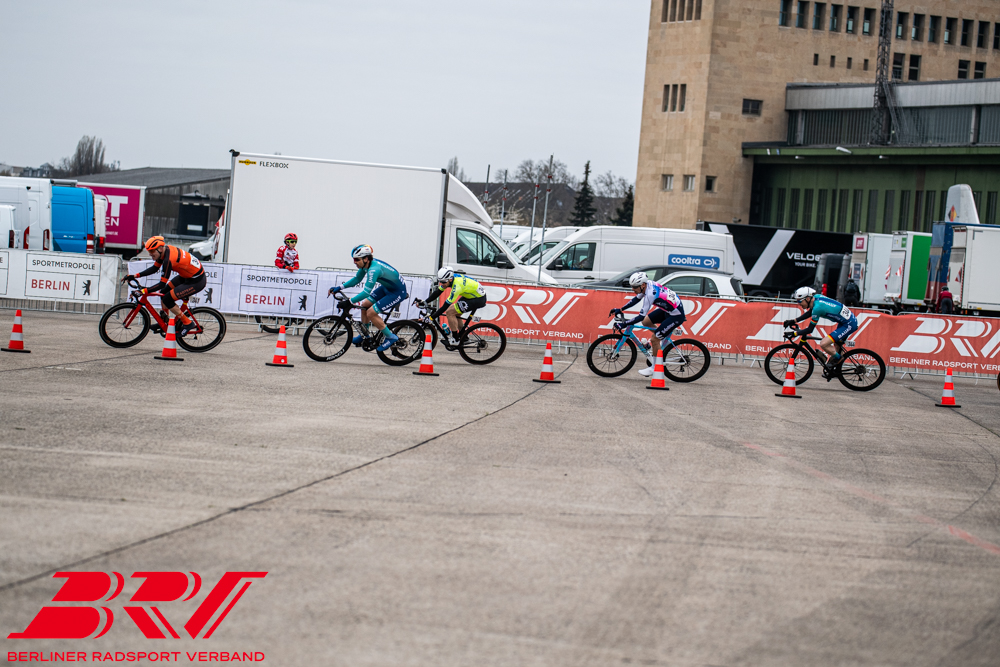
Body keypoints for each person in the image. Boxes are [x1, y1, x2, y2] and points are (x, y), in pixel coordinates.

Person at [328, 244, 407, 352]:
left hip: (397, 292)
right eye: (354, 259)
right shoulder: (366, 265)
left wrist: (349, 302)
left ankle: (390, 337)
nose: (354, 262)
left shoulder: (374, 270)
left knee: (371, 312)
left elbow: (366, 292)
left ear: (365, 259)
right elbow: (357, 279)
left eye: (357, 259)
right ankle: (365, 335)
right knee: (364, 305)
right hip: (386, 288)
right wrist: (340, 287)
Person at [123, 236, 205, 336]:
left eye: (152, 251)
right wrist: (134, 276)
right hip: (186, 276)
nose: (150, 254)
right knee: (163, 292)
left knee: (167, 299)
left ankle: (188, 323)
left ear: (160, 248)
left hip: (196, 281)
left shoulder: (168, 260)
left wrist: (143, 291)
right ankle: (165, 321)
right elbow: (154, 268)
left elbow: (161, 284)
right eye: (149, 251)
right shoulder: (164, 252)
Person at [610, 272, 685, 377]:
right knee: (646, 322)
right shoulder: (646, 285)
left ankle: (654, 367)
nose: (633, 289)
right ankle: (663, 338)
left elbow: (640, 316)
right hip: (668, 310)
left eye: (635, 287)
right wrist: (620, 309)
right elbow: (636, 299)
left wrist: (624, 324)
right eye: (632, 286)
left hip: (676, 315)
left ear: (642, 285)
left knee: (654, 339)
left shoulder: (650, 294)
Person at [783, 286, 858, 377]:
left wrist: (795, 333)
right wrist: (794, 320)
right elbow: (810, 312)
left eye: (799, 301)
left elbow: (810, 329)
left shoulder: (818, 308)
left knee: (824, 344)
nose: (799, 304)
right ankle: (835, 371)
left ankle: (839, 359)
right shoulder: (816, 298)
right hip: (844, 321)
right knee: (836, 345)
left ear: (807, 299)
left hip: (849, 324)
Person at [419, 266, 487, 346]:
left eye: (443, 282)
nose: (442, 284)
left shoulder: (457, 286)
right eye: (440, 281)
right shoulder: (449, 279)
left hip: (478, 299)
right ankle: (464, 337)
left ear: (450, 279)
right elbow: (438, 292)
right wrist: (425, 301)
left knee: (450, 312)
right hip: (470, 296)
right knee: (456, 314)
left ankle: (455, 339)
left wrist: (431, 318)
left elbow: (445, 306)